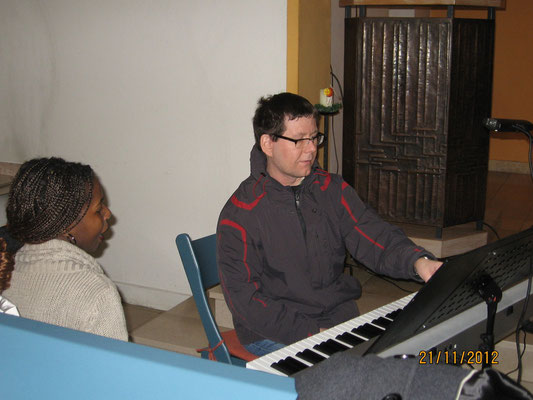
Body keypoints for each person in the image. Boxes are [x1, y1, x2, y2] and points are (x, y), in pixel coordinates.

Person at [216, 92, 442, 356]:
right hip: (274, 331)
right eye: (299, 140)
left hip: (336, 318)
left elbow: (373, 235)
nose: (312, 149)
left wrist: (419, 262)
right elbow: (246, 302)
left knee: (413, 354)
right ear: (268, 144)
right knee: (352, 380)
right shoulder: (241, 213)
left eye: (314, 138)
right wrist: (314, 334)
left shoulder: (331, 190)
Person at [0, 157, 128, 341]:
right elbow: (113, 367)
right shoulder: (96, 292)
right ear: (66, 223)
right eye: (99, 209)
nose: (108, 214)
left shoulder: (6, 266)